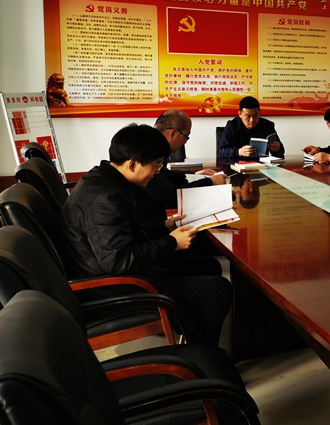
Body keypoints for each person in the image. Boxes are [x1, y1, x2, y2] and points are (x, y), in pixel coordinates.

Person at [60, 124, 232, 346]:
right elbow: (119, 261)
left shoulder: (106, 179)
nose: (158, 171)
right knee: (219, 290)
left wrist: (164, 227)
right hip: (114, 288)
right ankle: (202, 354)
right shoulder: (104, 199)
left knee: (209, 266)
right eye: (156, 164)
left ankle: (189, 331)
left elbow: (126, 233)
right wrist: (171, 242)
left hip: (116, 273)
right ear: (132, 164)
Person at [144, 109, 226, 210]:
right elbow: (170, 196)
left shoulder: (152, 142)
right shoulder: (149, 150)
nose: (185, 142)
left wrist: (194, 175)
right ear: (173, 133)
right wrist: (210, 182)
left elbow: (164, 174)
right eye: (186, 136)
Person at [217, 96, 284, 159]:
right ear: (240, 114)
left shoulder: (268, 125)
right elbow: (220, 152)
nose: (252, 120)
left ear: (259, 113)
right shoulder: (232, 126)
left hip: (261, 165)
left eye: (255, 115)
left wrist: (278, 149)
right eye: (248, 116)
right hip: (237, 164)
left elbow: (280, 152)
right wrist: (238, 151)